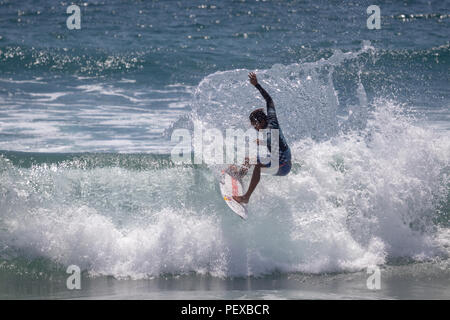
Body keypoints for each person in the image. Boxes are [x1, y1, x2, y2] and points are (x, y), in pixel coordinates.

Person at [233, 72, 291, 204]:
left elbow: (275, 155)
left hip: (283, 166)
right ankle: (239, 176)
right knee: (249, 159)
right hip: (282, 158)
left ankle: (245, 197)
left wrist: (266, 142)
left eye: (254, 125)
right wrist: (256, 85)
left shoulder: (270, 134)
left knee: (258, 164)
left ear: (260, 123)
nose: (254, 128)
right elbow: (269, 100)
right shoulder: (272, 119)